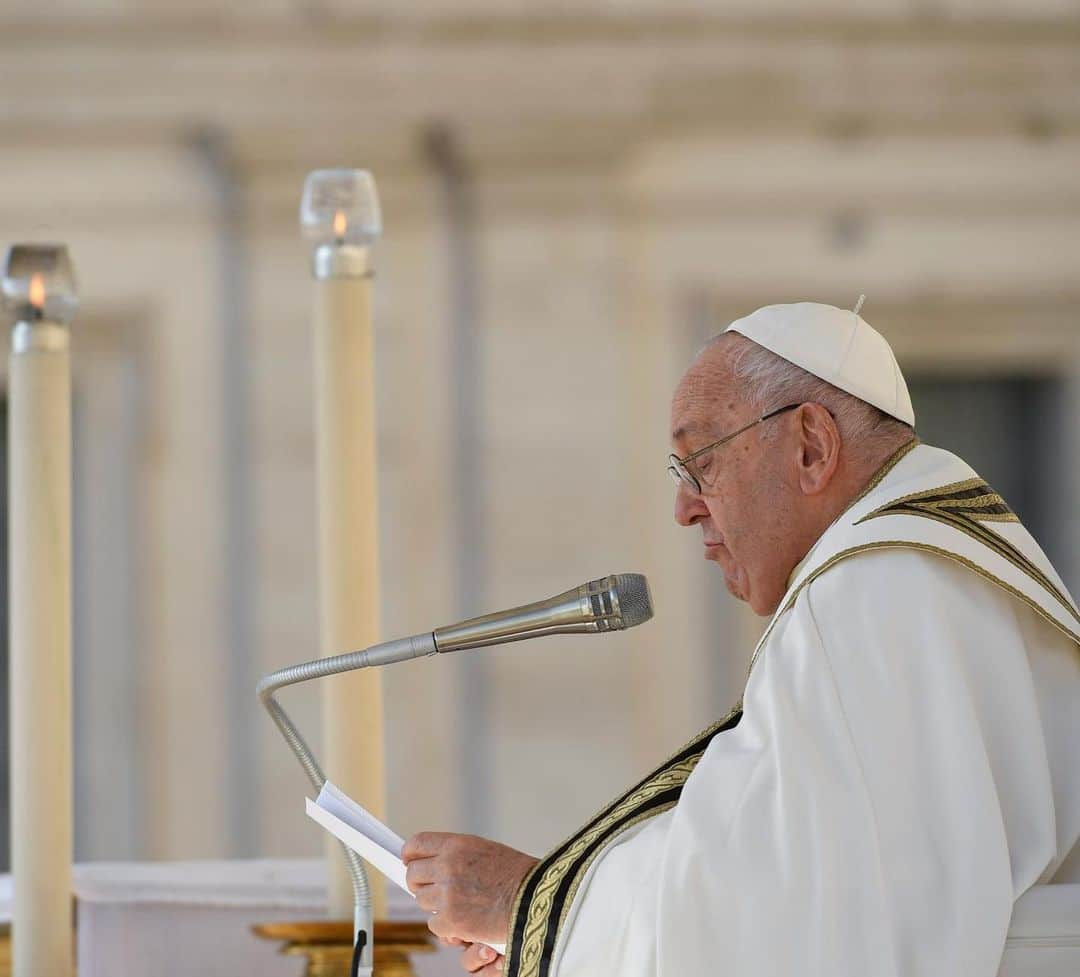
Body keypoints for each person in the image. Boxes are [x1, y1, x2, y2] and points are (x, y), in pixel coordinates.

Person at [402, 302, 1080, 977]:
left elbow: (807, 923)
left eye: (701, 460)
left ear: (811, 446)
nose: (684, 506)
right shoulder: (926, 573)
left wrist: (534, 907)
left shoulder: (868, 594)